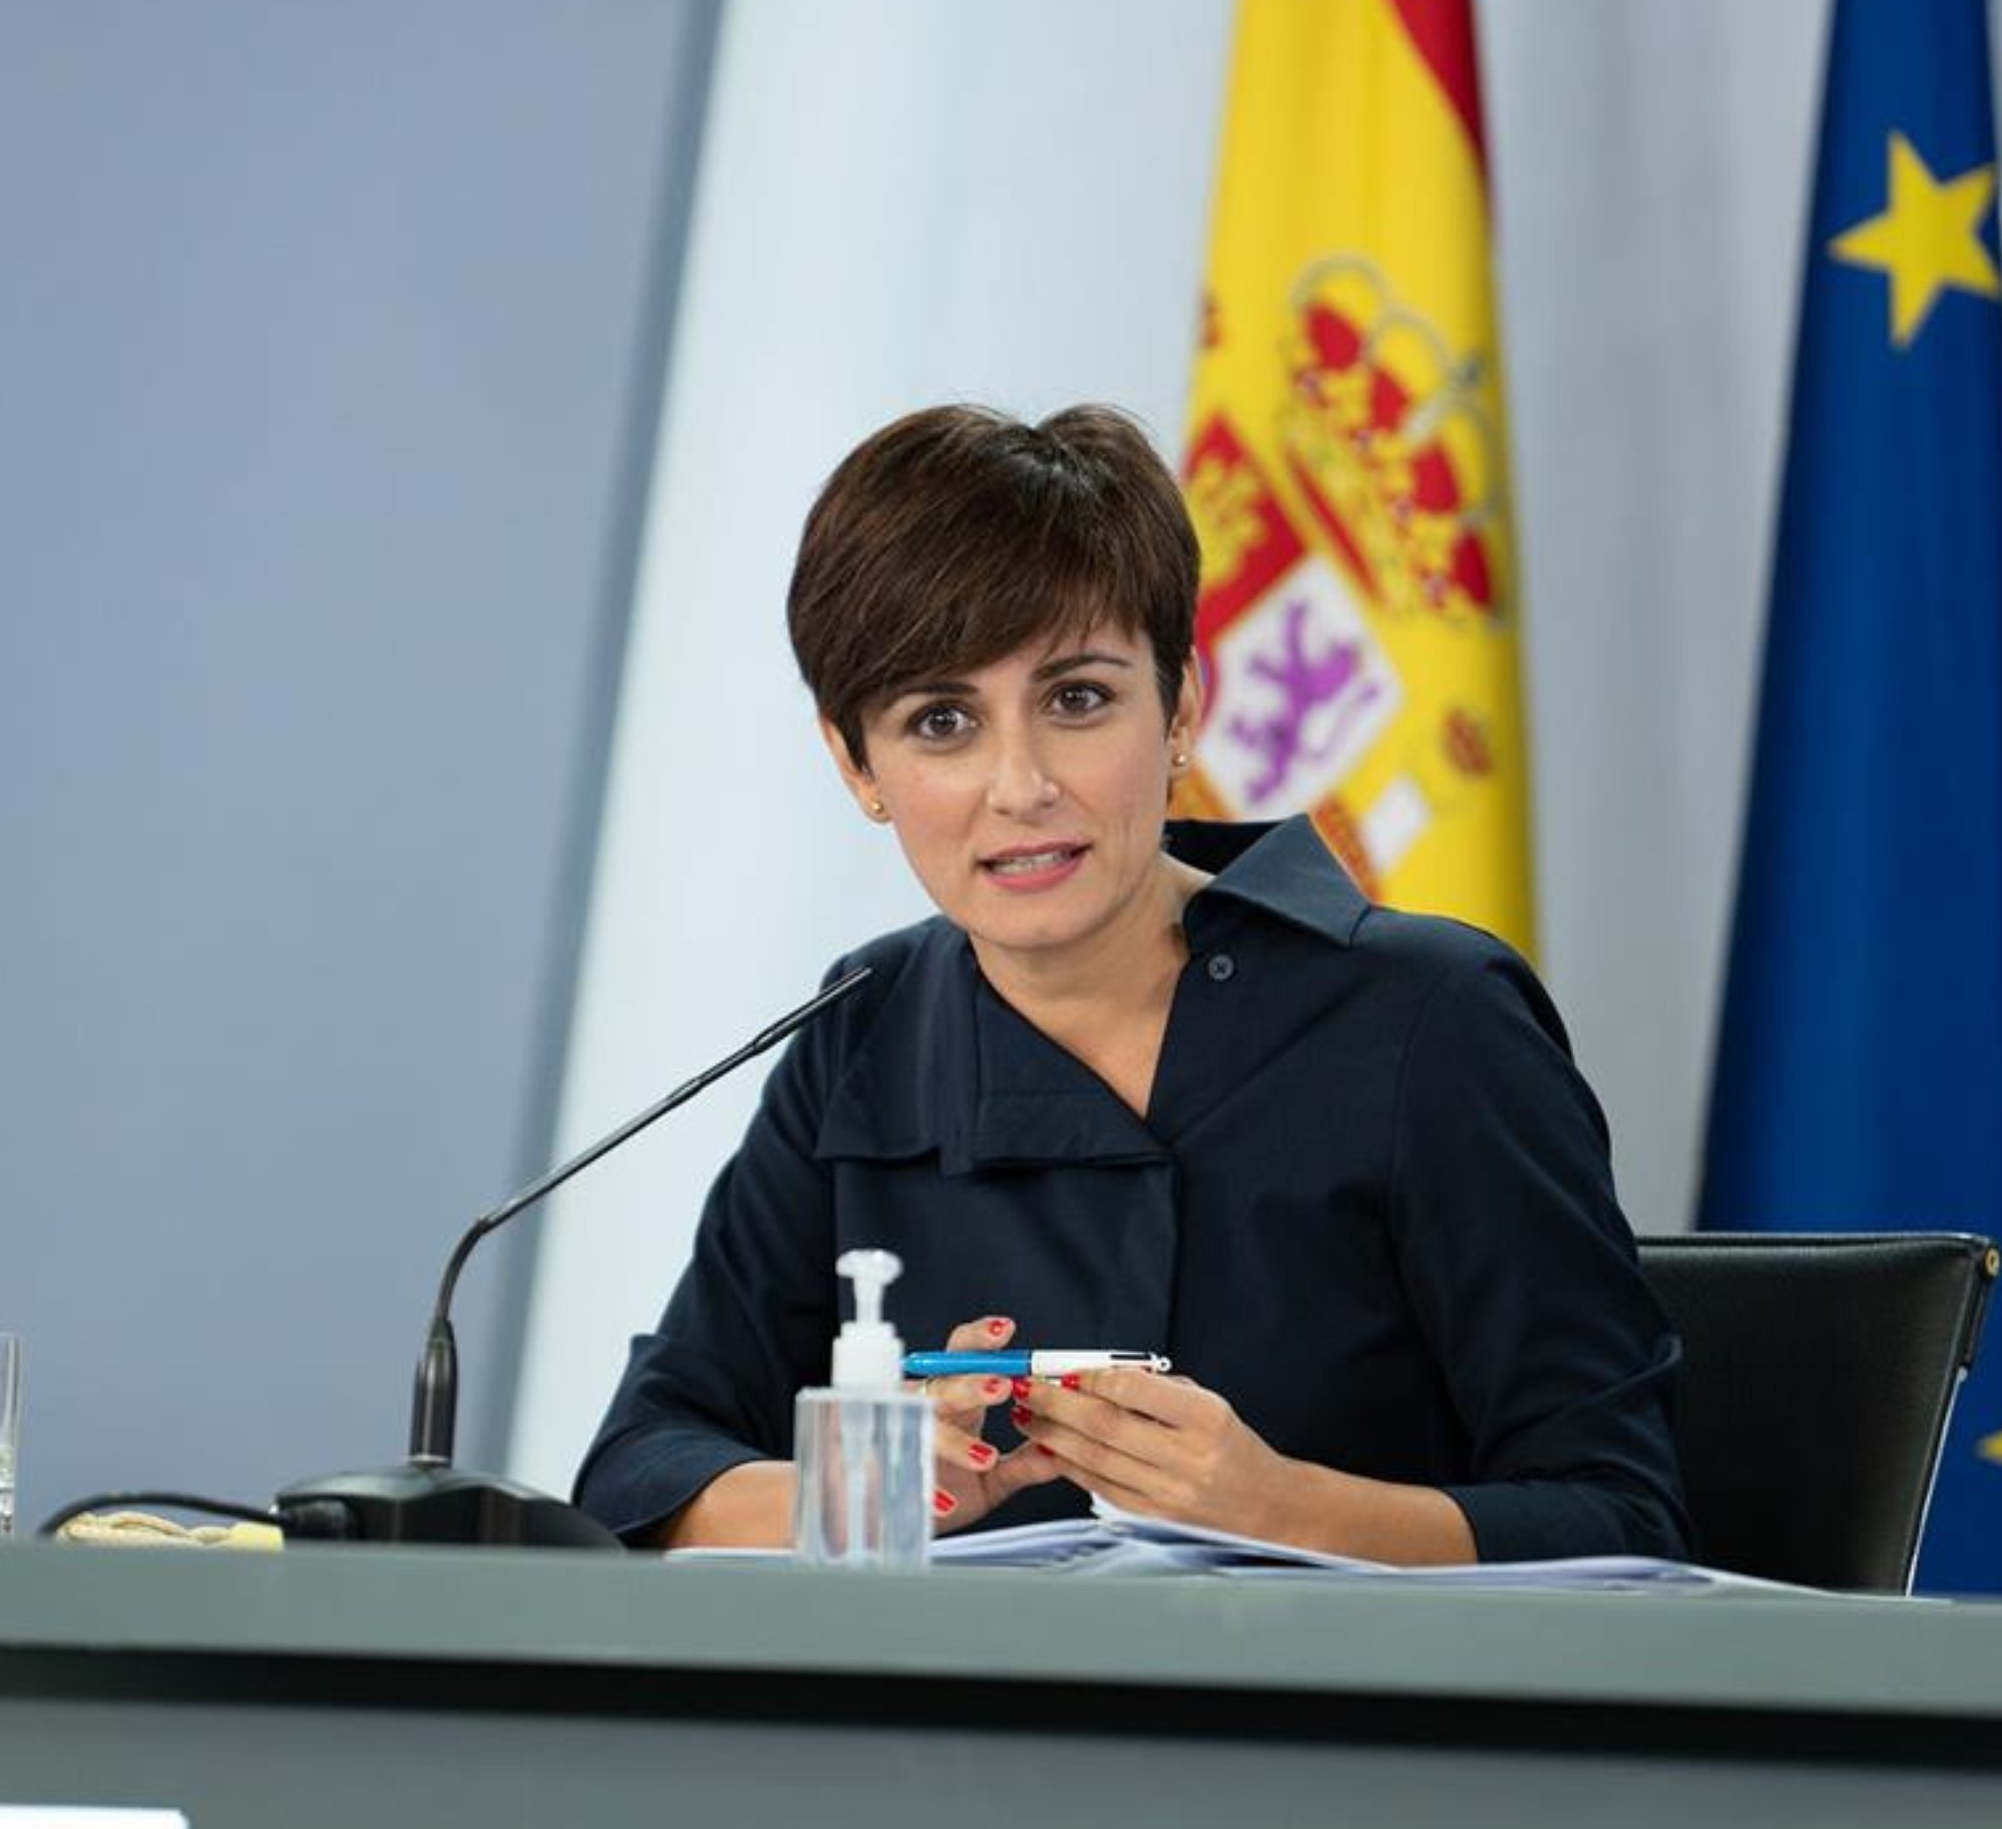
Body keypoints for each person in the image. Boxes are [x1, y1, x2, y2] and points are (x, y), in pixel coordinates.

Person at [572, 403, 1687, 1564]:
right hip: (953, 1740)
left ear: (1182, 710)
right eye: (941, 721)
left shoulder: (1430, 1019)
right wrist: (878, 1486)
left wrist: (1280, 1510)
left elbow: (1624, 1518)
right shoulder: (868, 1028)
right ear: (857, 766)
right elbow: (641, 1468)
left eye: (1078, 699)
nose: (1020, 785)